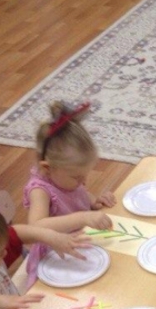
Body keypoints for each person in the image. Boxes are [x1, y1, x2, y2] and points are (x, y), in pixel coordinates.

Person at [24, 101, 115, 286]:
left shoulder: (65, 177)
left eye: (85, 175)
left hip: (80, 243)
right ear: (47, 168)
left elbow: (79, 194)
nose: (83, 182)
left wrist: (95, 202)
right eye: (77, 177)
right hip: (55, 257)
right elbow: (36, 226)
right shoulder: (40, 190)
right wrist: (82, 217)